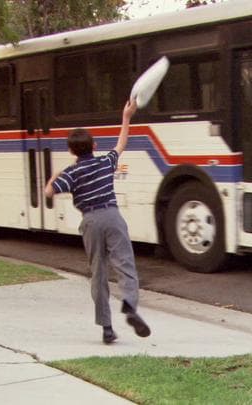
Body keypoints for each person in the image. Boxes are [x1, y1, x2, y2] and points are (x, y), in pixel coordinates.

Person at [44, 98, 150, 344]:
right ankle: (130, 306)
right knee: (125, 265)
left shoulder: (71, 173)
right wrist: (126, 116)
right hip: (112, 215)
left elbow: (49, 193)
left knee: (98, 272)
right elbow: (122, 143)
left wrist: (55, 176)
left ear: (71, 151)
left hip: (90, 220)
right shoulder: (105, 162)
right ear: (94, 144)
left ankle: (106, 328)